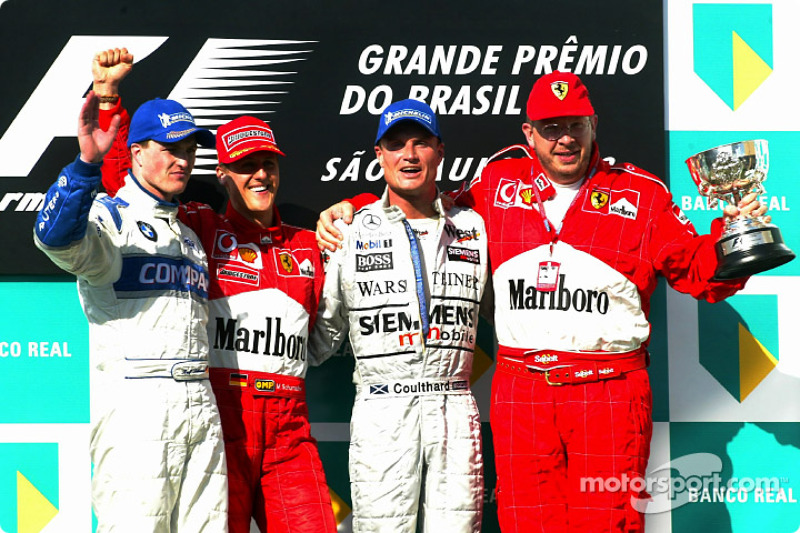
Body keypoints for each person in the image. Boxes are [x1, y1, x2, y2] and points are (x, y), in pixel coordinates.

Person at [315, 72, 768, 532]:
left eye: (575, 125)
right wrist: (357, 205)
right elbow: (426, 209)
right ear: (529, 134)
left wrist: (736, 239)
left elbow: (698, 271)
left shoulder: (642, 194)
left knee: (607, 524)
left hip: (607, 392)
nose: (565, 139)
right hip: (522, 395)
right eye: (551, 128)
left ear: (594, 124)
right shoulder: (496, 181)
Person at [94, 48, 337, 533]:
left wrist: (355, 201)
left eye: (267, 162)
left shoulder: (310, 243)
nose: (260, 174)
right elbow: (128, 183)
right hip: (218, 422)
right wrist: (107, 100)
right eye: (246, 165)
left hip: (288, 424)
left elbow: (379, 218)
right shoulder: (197, 227)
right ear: (222, 175)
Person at [33, 91, 228, 530]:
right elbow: (55, 238)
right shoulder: (111, 218)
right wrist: (86, 165)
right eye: (170, 149)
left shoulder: (190, 238)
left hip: (200, 403)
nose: (183, 160)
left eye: (189, 150)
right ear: (137, 153)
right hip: (138, 410)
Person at [309, 99, 488, 533]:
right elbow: (318, 342)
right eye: (395, 144)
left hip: (454, 404)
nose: (408, 155)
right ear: (379, 155)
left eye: (420, 143)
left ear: (440, 151)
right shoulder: (350, 230)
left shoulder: (475, 226)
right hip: (382, 408)